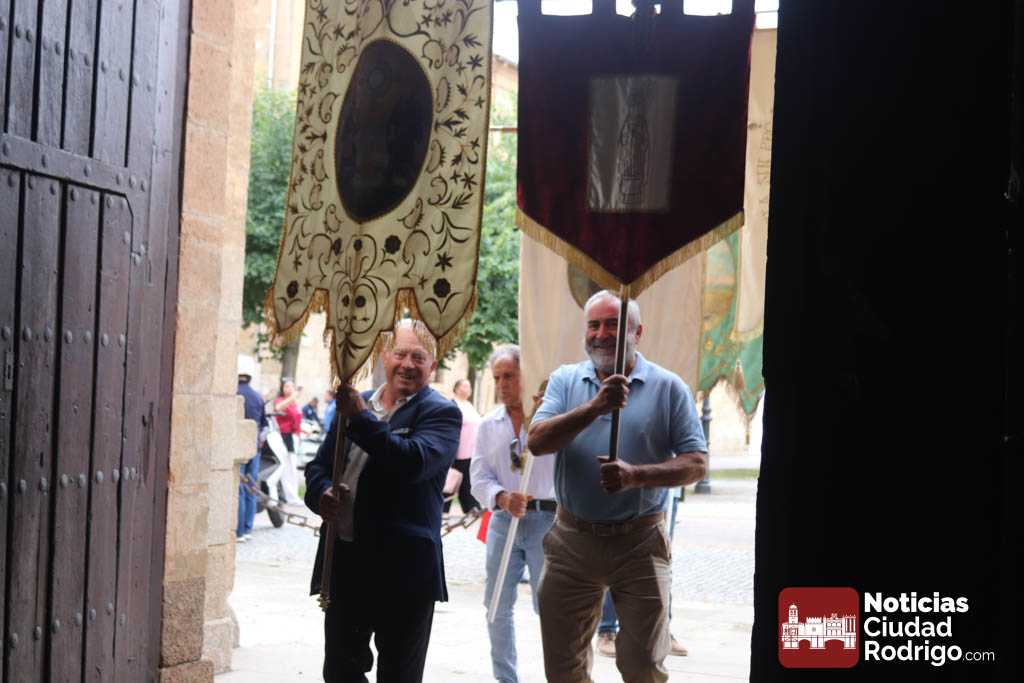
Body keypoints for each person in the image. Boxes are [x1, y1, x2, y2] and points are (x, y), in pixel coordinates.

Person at [527, 290, 708, 683]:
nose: (601, 333)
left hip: (639, 542)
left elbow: (697, 463)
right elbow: (537, 441)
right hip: (571, 539)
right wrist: (595, 406)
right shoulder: (564, 381)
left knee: (643, 665)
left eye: (613, 324)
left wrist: (636, 476)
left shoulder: (668, 387)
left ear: (637, 333)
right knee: (563, 667)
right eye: (594, 325)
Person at [304, 319, 462, 682]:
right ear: (384, 356)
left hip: (404, 571)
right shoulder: (358, 403)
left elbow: (411, 462)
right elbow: (319, 467)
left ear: (433, 365)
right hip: (347, 561)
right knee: (340, 670)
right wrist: (322, 494)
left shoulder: (441, 412)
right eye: (400, 354)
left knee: (399, 675)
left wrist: (360, 417)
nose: (408, 364)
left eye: (419, 357)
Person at [470, 346, 556, 683]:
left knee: (549, 607)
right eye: (496, 378)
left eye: (509, 376)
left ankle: (560, 675)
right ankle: (506, 678)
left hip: (545, 521)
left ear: (524, 376)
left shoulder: (548, 420)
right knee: (496, 605)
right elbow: (479, 478)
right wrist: (502, 497)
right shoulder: (488, 425)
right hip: (504, 521)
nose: (502, 384)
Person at [596, 483, 688, 657]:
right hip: (630, 491)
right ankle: (607, 630)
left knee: (662, 559)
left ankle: (662, 632)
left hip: (667, 493)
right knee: (616, 555)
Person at [236, 355, 267, 542]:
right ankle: (247, 528)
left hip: (237, 447)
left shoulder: (233, 393)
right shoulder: (257, 397)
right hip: (254, 447)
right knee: (251, 487)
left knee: (239, 488)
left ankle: (238, 530)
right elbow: (264, 425)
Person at [446, 378, 481, 514]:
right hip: (457, 453)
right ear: (456, 389)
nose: (468, 389)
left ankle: (471, 508)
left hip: (471, 453)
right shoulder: (452, 405)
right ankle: (442, 510)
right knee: (451, 482)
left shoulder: (469, 405)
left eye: (469, 387)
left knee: (467, 483)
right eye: (464, 386)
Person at [273, 378, 304, 505]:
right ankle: (290, 496)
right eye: (286, 386)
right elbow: (278, 408)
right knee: (288, 467)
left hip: (294, 436)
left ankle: (293, 495)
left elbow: (296, 420)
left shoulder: (294, 403)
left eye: (291, 386)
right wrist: (292, 397)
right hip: (285, 436)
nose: (289, 389)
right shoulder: (281, 400)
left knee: (292, 467)